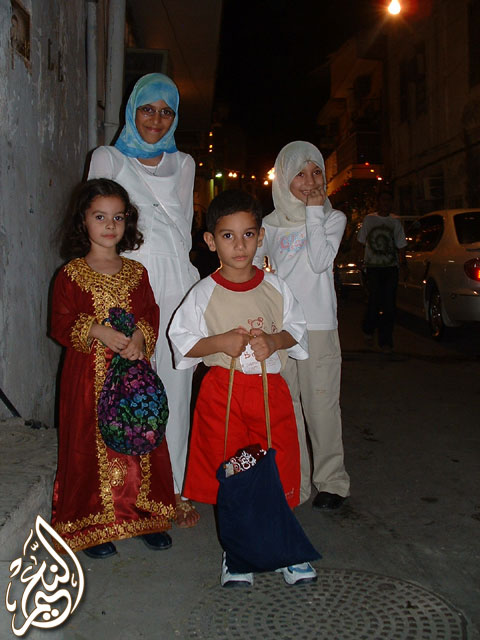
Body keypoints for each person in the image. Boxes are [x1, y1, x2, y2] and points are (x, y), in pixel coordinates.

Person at [169, 190, 317, 587]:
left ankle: (286, 549)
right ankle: (238, 555)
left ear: (260, 236)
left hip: (270, 392)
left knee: (277, 465)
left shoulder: (276, 287)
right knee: (232, 469)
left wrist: (275, 341)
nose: (239, 245)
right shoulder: (203, 293)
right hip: (223, 393)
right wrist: (218, 342)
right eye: (228, 236)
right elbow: (182, 342)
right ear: (210, 241)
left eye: (248, 234)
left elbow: (296, 329)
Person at [88, 73, 200, 528]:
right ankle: (123, 493)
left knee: (175, 388)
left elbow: (184, 229)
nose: (156, 119)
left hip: (176, 283)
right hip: (127, 282)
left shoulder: (185, 163)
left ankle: (172, 490)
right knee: (125, 389)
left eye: (166, 111)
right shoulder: (108, 158)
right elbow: (95, 226)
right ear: (132, 109)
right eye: (148, 108)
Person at [50, 178, 175, 558]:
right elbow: (59, 322)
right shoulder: (71, 274)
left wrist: (139, 337)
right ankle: (92, 523)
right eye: (100, 216)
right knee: (90, 445)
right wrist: (96, 330)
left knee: (140, 436)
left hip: (133, 377)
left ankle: (143, 515)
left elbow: (149, 312)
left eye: (118, 217)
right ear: (83, 221)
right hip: (88, 379)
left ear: (127, 222)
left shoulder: (137, 272)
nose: (109, 225)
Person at [254, 141, 350, 510]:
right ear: (283, 180)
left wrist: (313, 212)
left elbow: (321, 260)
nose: (310, 182)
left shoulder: (332, 218)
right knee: (286, 406)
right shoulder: (268, 225)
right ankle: (296, 479)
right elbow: (256, 270)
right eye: (300, 174)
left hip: (319, 327)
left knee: (321, 404)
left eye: (316, 173)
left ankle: (332, 482)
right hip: (282, 330)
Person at [357, 189, 408, 353]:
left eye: (388, 200)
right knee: (374, 301)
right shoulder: (369, 220)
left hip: (390, 268)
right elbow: (361, 242)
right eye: (383, 200)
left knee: (389, 305)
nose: (386, 203)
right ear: (378, 202)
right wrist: (360, 260)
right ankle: (368, 329)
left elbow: (401, 244)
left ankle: (386, 341)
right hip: (373, 267)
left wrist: (403, 264)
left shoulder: (395, 222)